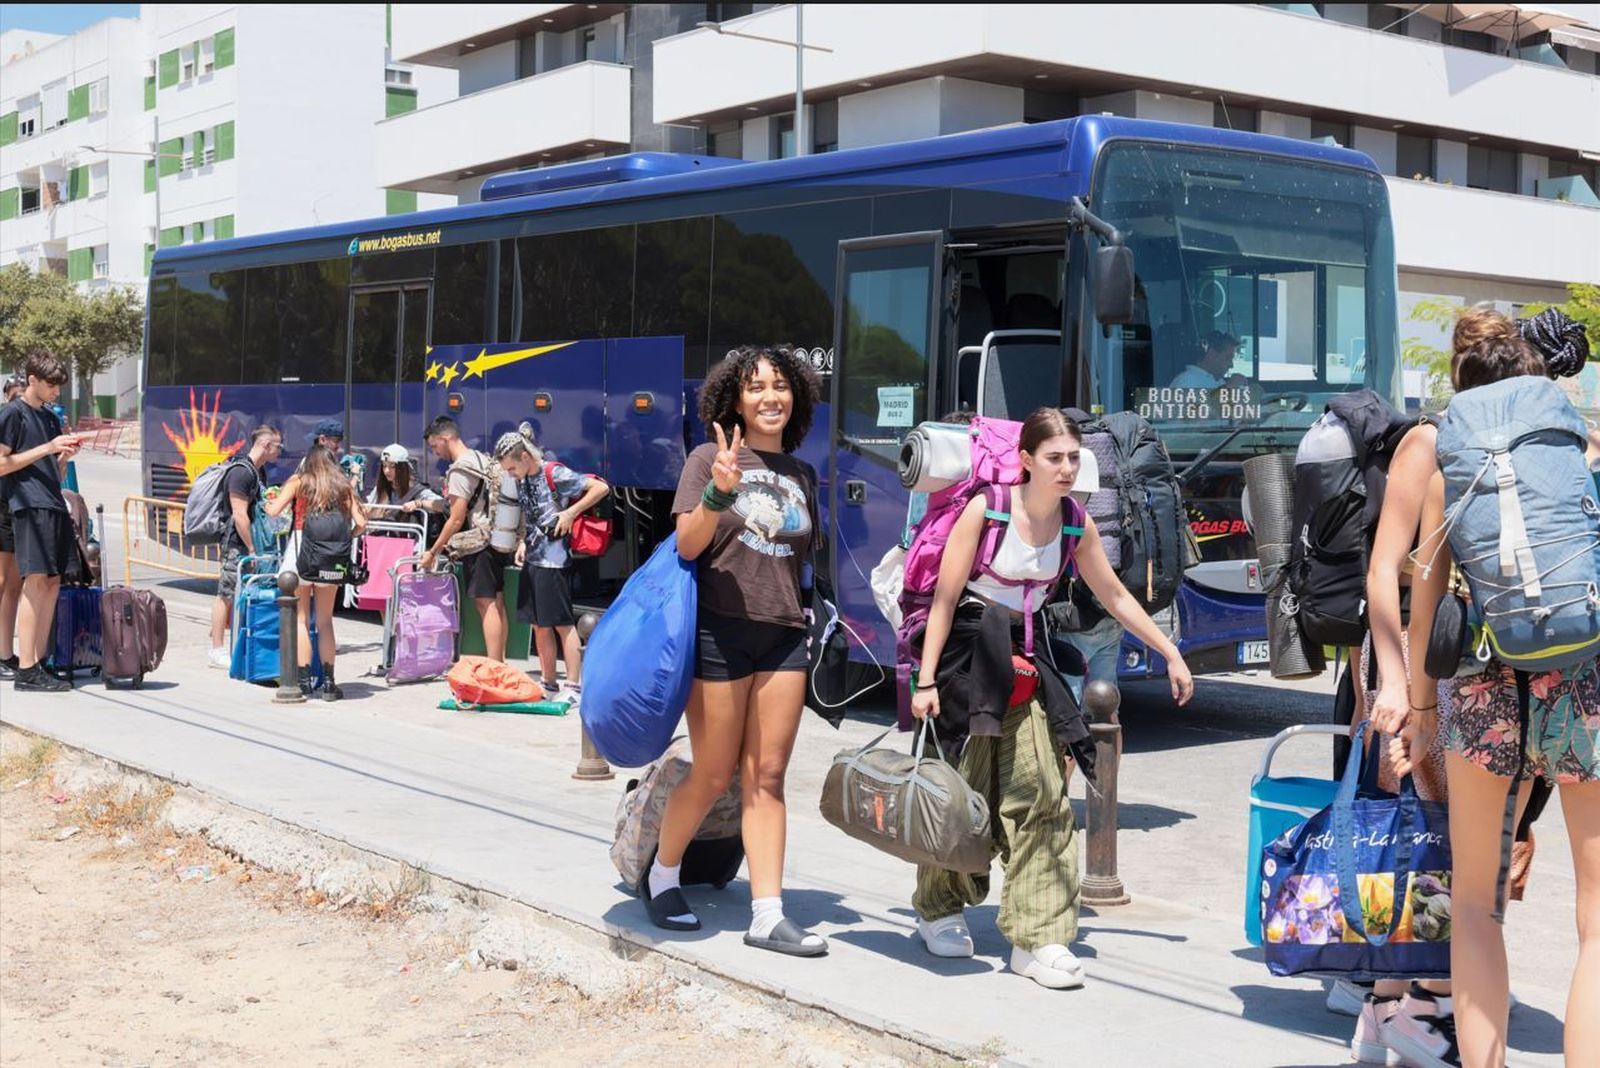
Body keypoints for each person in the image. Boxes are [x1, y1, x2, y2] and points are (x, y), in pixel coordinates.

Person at [909, 406, 1193, 989]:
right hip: (964, 653)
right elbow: (942, 601)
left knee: (1040, 791)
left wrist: (1170, 651)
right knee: (960, 795)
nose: (1066, 469)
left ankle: (1038, 937)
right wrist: (926, 680)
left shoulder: (1074, 523)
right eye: (1054, 458)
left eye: (1073, 459)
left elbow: (1115, 596)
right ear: (1025, 461)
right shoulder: (984, 510)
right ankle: (937, 906)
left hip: (1022, 658)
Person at [1389, 322, 1600, 1068]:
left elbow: (1424, 596)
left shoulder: (1451, 460)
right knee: (1596, 921)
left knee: (1475, 903)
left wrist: (1418, 710)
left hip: (1479, 683)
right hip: (1580, 679)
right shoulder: (1579, 453)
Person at [644, 344, 826, 957]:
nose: (771, 396)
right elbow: (689, 546)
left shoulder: (802, 474)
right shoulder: (708, 459)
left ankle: (768, 913)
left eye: (780, 386)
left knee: (767, 776)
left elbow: (798, 563)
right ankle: (664, 876)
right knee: (716, 771)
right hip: (719, 631)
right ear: (736, 400)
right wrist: (719, 494)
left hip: (782, 636)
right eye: (756, 387)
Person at [494, 424, 610, 703]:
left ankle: (572, 685)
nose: (510, 474)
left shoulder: (553, 472)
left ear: (524, 457)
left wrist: (570, 512)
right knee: (538, 624)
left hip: (554, 560)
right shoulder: (523, 480)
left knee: (561, 623)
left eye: (511, 468)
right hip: (533, 556)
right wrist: (523, 542)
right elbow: (531, 516)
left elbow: (601, 487)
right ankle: (548, 682)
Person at [0, 354, 82, 693]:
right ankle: (25, 666)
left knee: (50, 584)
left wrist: (63, 457)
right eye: (50, 385)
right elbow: (2, 464)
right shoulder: (12, 413)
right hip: (25, 506)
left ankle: (38, 661)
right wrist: (47, 447)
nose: (54, 393)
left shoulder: (49, 417)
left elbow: (52, 471)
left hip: (49, 503)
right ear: (32, 380)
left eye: (58, 387)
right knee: (28, 583)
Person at [265, 445, 365, 699]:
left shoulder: (299, 481)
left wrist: (270, 502)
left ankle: (304, 681)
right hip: (332, 554)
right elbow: (362, 523)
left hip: (302, 549)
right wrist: (346, 539)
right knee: (325, 621)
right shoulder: (342, 485)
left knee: (301, 619)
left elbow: (274, 511)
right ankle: (330, 685)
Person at [420, 416, 511, 662]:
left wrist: (433, 552)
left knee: (486, 604)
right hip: (497, 537)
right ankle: (500, 662)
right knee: (497, 602)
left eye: (434, 446)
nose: (436, 453)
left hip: (478, 542)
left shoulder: (460, 469)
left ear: (445, 438)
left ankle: (494, 666)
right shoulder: (482, 458)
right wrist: (419, 503)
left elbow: (457, 518)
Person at [206, 426, 283, 669]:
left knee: (243, 595)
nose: (280, 450)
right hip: (237, 544)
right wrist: (251, 548)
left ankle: (240, 643)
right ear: (264, 445)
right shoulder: (241, 473)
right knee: (226, 594)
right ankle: (216, 649)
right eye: (277, 446)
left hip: (252, 544)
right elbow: (239, 514)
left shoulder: (258, 472)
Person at [0, 371, 27, 680]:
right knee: (3, 582)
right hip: (3, 505)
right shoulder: (6, 420)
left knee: (14, 585)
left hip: (18, 506)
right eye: (14, 395)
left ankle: (7, 652)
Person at [366, 443, 444, 515]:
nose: (387, 471)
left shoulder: (416, 491)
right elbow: (368, 509)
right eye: (384, 466)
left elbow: (443, 505)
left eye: (392, 466)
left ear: (403, 468)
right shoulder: (382, 489)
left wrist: (418, 503)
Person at [1168, 330, 1248, 390]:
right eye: (1228, 358)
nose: (1231, 365)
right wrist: (1229, 388)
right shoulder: (1187, 380)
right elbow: (1198, 410)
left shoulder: (1218, 381)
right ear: (1211, 355)